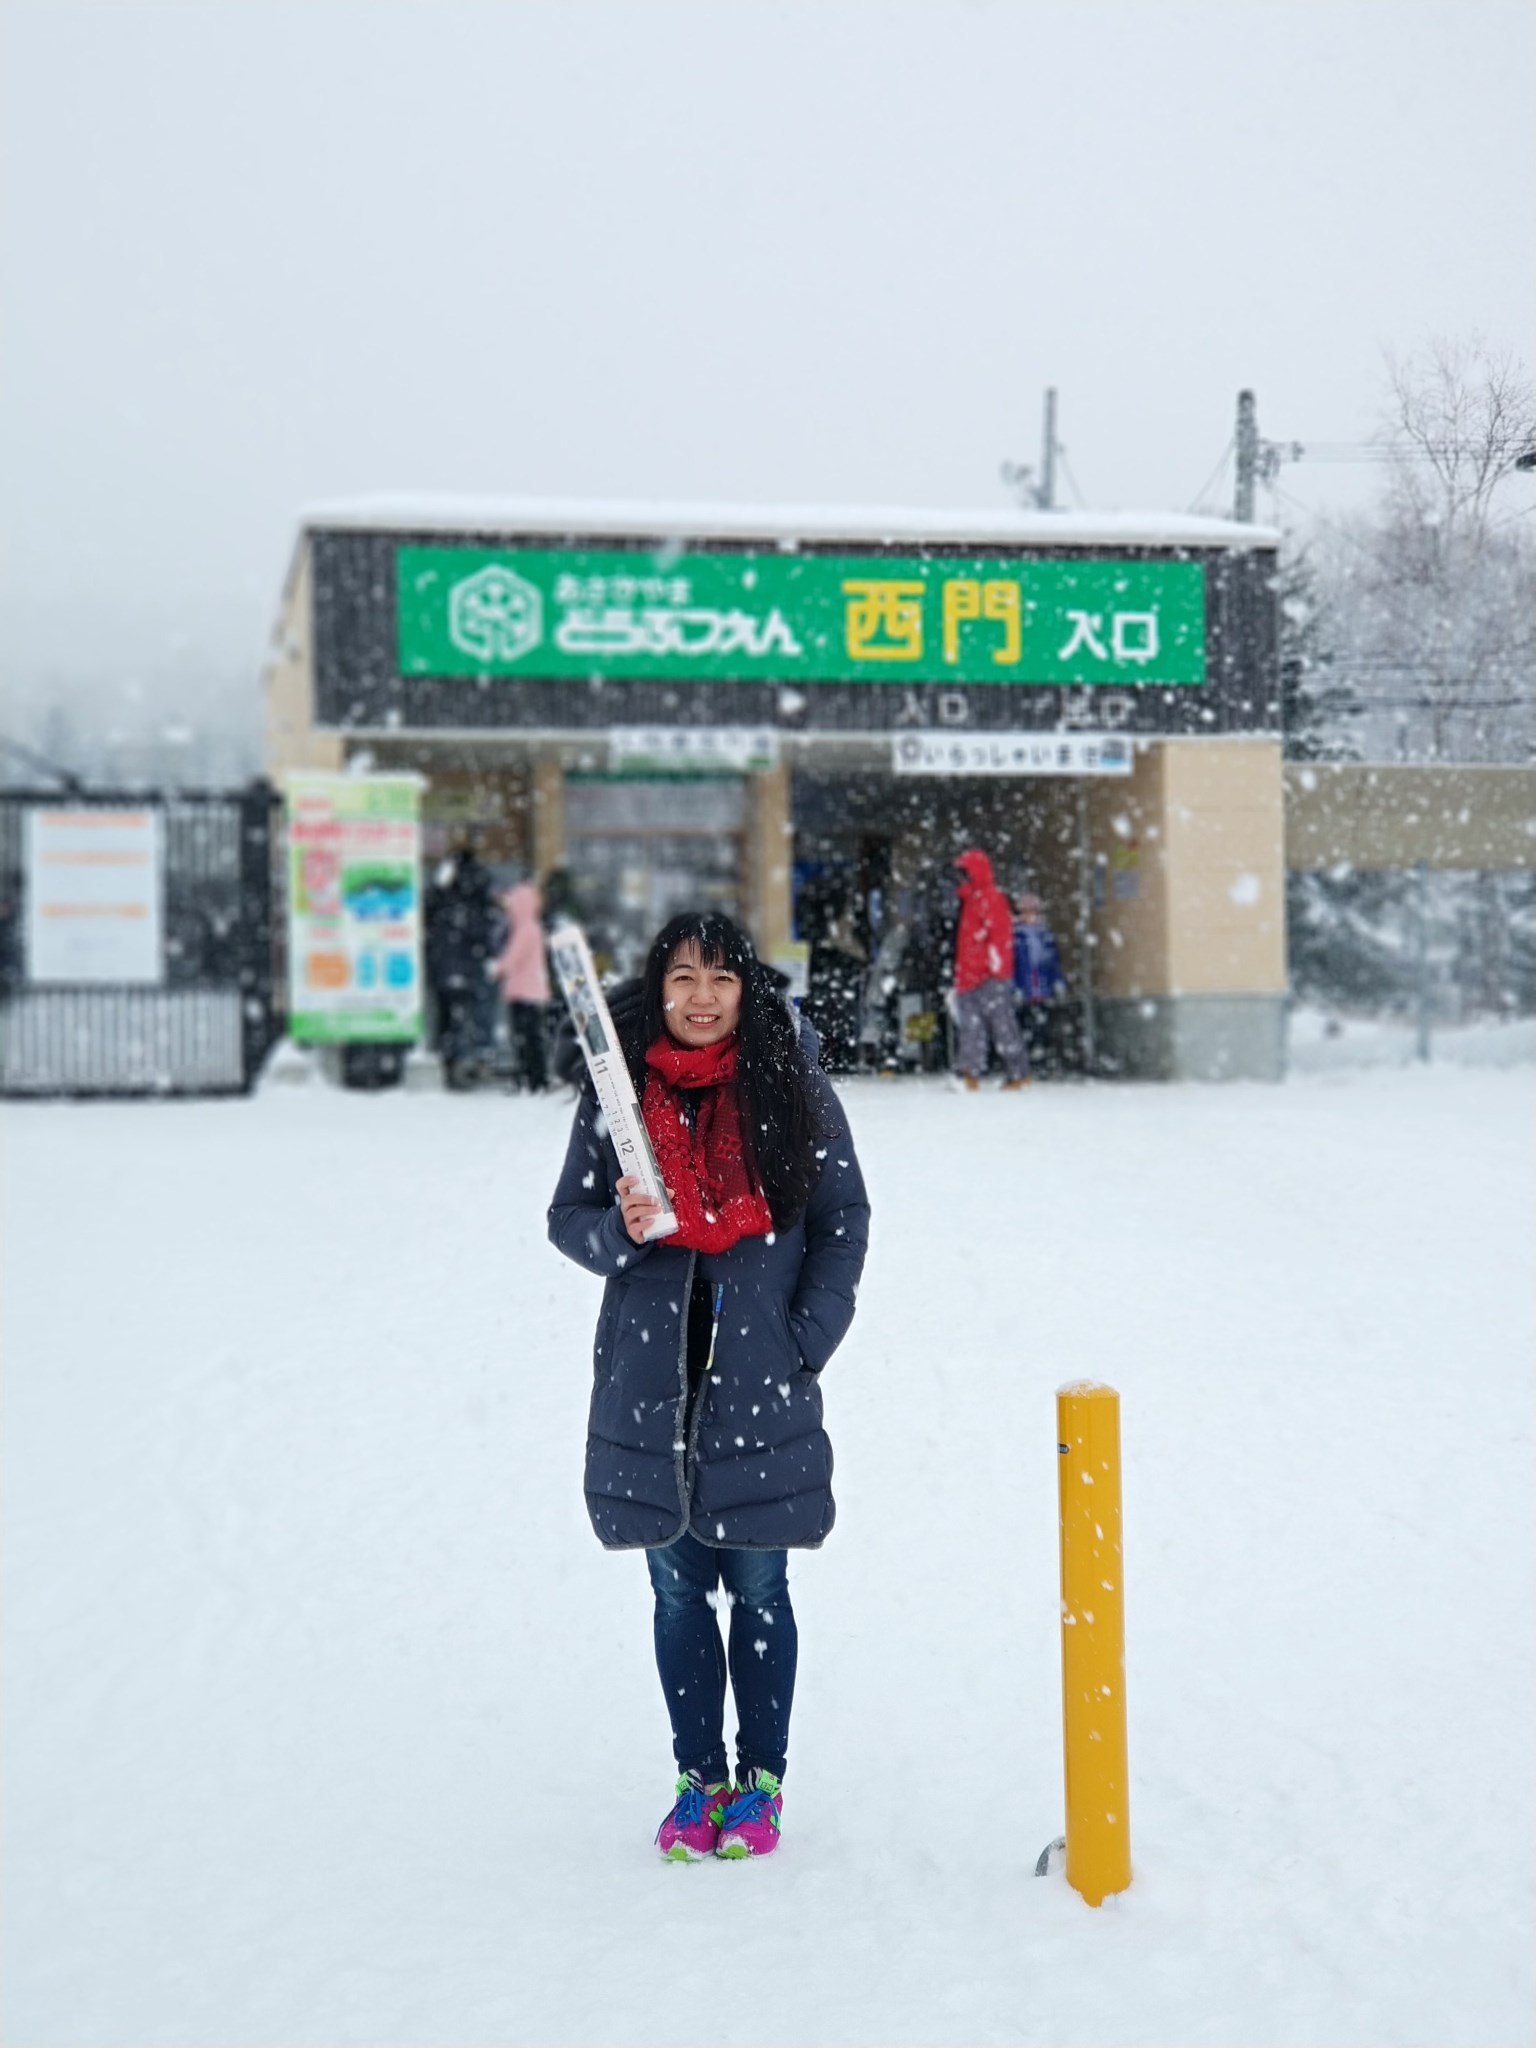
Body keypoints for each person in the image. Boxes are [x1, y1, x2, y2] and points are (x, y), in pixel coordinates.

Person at [547, 911, 870, 1862]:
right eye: (682, 978)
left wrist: (803, 1338)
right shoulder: (619, 1095)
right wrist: (621, 1229)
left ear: (747, 991)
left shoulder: (792, 1088)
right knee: (678, 1595)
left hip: (757, 1386)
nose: (700, 998)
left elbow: (844, 1220)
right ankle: (698, 1780)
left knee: (761, 1591)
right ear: (658, 986)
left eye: (721, 979)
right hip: (651, 1386)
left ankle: (760, 1785)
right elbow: (568, 1217)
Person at [950, 846, 1031, 1091]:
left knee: (1001, 1026)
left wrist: (995, 969)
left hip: (988, 977)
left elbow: (998, 937)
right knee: (973, 1028)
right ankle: (970, 1073)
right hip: (971, 977)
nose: (961, 879)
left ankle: (1017, 1073)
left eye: (965, 873)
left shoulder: (990, 899)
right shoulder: (970, 901)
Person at [424, 845, 503, 1088]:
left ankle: (454, 1062)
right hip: (472, 965)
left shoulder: (444, 891)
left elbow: (428, 913)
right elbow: (488, 925)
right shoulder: (480, 888)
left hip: (445, 965)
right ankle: (474, 1060)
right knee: (476, 1017)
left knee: (450, 1019)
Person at [495, 876, 550, 1091]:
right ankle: (535, 1077)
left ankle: (531, 1078)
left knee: (525, 1039)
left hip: (523, 992)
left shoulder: (525, 929)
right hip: (532, 991)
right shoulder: (533, 927)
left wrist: (497, 968)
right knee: (532, 1038)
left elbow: (512, 957)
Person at [1012, 892, 1066, 1078]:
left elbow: (1054, 962)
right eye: (1024, 912)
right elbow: (1013, 965)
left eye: (1032, 912)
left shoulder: (1045, 936)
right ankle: (1025, 1064)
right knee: (1024, 1028)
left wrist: (1058, 982)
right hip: (1025, 991)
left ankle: (1042, 1062)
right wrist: (1015, 987)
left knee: (1042, 1029)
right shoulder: (1015, 937)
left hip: (1043, 990)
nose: (1028, 916)